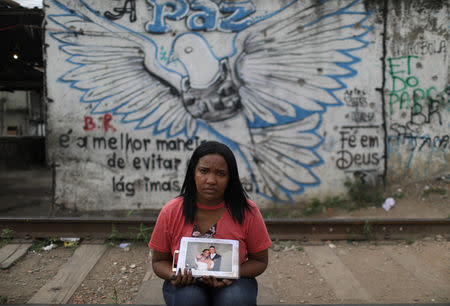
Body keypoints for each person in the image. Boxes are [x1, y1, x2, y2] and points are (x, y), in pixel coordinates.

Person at [148, 140, 272, 306]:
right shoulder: (171, 211)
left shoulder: (247, 211)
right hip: (186, 284)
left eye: (221, 173)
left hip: (234, 282)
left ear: (230, 178)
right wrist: (174, 275)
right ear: (193, 172)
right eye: (204, 171)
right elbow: (158, 261)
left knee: (235, 300)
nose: (211, 180)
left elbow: (260, 261)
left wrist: (232, 273)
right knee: (189, 300)